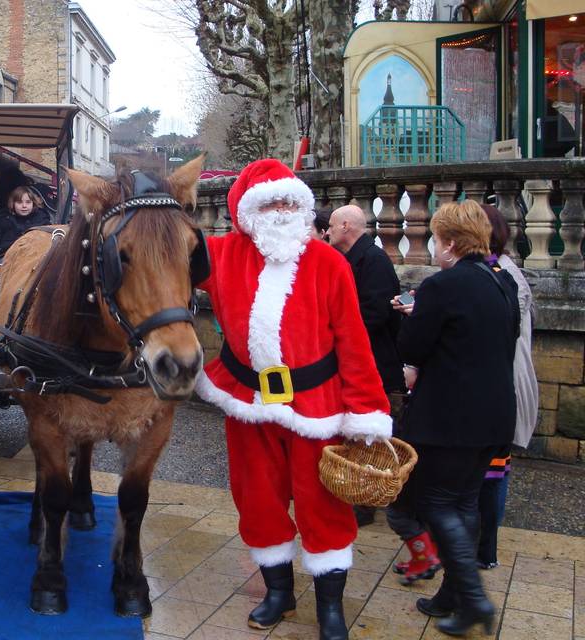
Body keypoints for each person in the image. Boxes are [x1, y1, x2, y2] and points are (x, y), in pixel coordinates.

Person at [194, 159, 392, 640]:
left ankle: (330, 609)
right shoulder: (222, 256)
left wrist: (365, 411)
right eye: (269, 202)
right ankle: (278, 592)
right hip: (248, 401)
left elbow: (353, 341)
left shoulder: (330, 263)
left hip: (316, 407)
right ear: (247, 211)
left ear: (303, 209)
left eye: (288, 201)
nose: (281, 210)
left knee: (323, 506)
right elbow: (163, 246)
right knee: (256, 500)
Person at [392, 200, 519, 636]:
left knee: (435, 502)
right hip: (495, 414)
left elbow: (411, 349)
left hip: (450, 417)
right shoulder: (502, 282)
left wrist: (415, 316)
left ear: (447, 242)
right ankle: (452, 594)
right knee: (464, 502)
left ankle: (473, 597)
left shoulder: (442, 286)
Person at [327, 205, 411, 533]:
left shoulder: (373, 261)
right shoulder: (352, 258)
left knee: (371, 436)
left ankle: (368, 502)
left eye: (333, 226)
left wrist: (334, 323)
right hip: (358, 362)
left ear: (347, 226)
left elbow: (375, 314)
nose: (329, 231)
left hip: (375, 363)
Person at [477, 204, 538, 570]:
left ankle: (486, 547)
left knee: (494, 469)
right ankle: (485, 545)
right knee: (494, 467)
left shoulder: (501, 275)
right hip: (503, 378)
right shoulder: (500, 271)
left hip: (502, 380)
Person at [0, 185, 50, 260]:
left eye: (28, 202)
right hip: (8, 258)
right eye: (19, 202)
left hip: (35, 259)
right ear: (13, 204)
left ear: (33, 203)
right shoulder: (4, 220)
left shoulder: (42, 220)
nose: (24, 206)